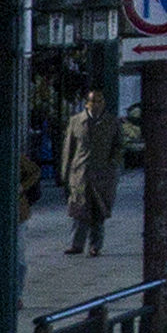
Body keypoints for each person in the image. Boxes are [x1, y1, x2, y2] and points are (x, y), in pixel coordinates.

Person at [64, 87, 115, 258]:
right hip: (81, 172)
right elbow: (69, 149)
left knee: (98, 211)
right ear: (87, 104)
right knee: (79, 209)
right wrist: (66, 173)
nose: (96, 104)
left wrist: (112, 165)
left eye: (100, 101)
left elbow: (118, 147)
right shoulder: (76, 121)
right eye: (93, 101)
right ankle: (76, 244)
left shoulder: (111, 122)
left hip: (102, 174)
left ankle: (95, 245)